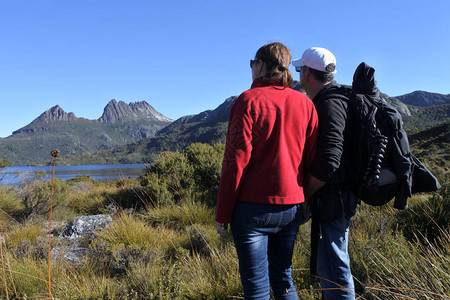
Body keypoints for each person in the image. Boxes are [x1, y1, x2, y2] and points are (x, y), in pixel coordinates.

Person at [215, 42, 318, 300]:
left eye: (252, 64)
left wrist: (223, 212)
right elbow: (311, 159)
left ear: (260, 65)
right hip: (292, 207)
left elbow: (234, 162)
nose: (251, 69)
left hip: (252, 211)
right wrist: (306, 201)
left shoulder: (247, 101)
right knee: (284, 280)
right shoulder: (305, 104)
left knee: (256, 287)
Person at [293, 47, 358, 299]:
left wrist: (305, 193)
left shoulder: (330, 104)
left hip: (335, 197)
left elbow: (330, 159)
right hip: (336, 196)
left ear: (308, 72)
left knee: (335, 265)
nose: (299, 73)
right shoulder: (335, 99)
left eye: (300, 69)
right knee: (328, 266)